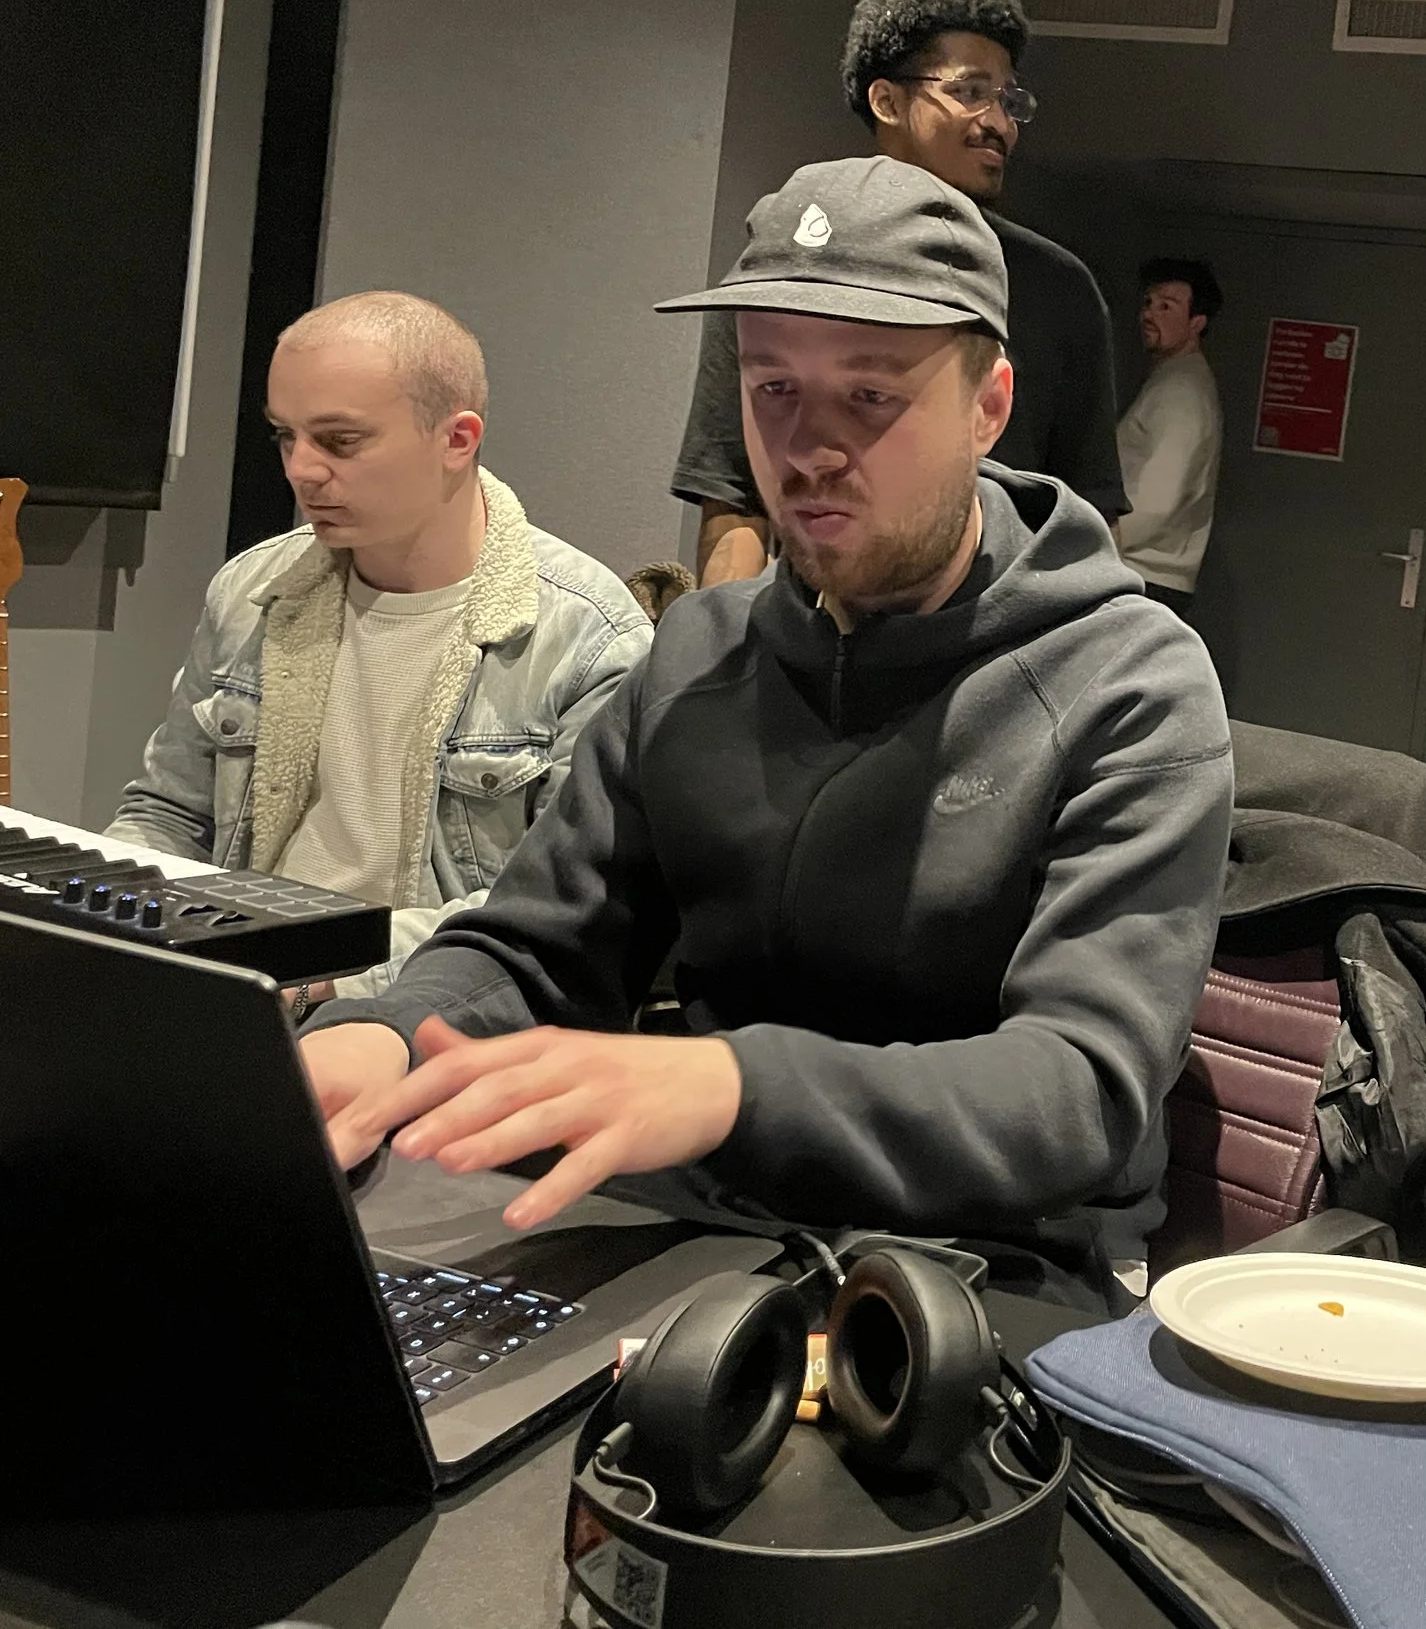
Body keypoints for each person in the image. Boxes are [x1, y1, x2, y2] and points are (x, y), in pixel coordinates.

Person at [300, 159, 1233, 1302]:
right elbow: (539, 949)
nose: (809, 448)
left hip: (983, 1266)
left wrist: (732, 1087)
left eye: (870, 396)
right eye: (774, 388)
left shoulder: (1127, 683)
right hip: (698, 1224)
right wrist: (388, 1034)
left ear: (987, 409)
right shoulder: (698, 652)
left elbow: (1080, 1092)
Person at [108, 291, 652, 1007]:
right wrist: (110, 916)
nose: (301, 470)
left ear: (457, 440)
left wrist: (317, 979)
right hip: (243, 983)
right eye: (285, 437)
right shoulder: (250, 590)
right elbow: (170, 812)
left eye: (339, 441)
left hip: (431, 1011)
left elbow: (548, 905)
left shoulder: (589, 638)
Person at [673, 0, 1126, 585]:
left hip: (995, 628)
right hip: (813, 620)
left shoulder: (1059, 288)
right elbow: (733, 498)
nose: (999, 123)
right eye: (971, 91)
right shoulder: (782, 266)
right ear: (887, 101)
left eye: (1008, 101)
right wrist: (726, 635)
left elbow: (1089, 519)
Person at [1116, 257, 1225, 615]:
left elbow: (1159, 499)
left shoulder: (1182, 391)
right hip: (1148, 575)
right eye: (1148, 303)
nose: (1149, 314)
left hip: (1144, 576)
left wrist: (1088, 540)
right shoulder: (1175, 379)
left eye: (1166, 306)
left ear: (1197, 323)